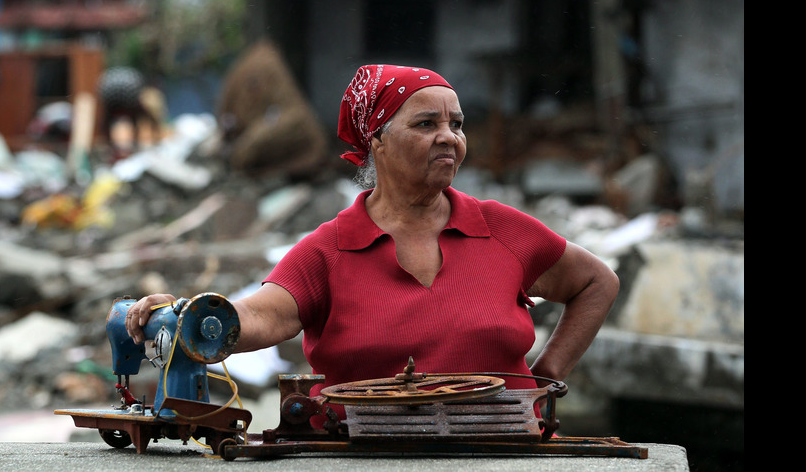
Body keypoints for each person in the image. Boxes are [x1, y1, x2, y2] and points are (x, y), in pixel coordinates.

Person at [126, 64, 618, 425]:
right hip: (360, 454)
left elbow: (597, 281)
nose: (449, 138)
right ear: (376, 141)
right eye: (426, 125)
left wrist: (546, 376)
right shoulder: (331, 249)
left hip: (500, 448)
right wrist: (191, 315)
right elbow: (263, 315)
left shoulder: (503, 229)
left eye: (457, 124)